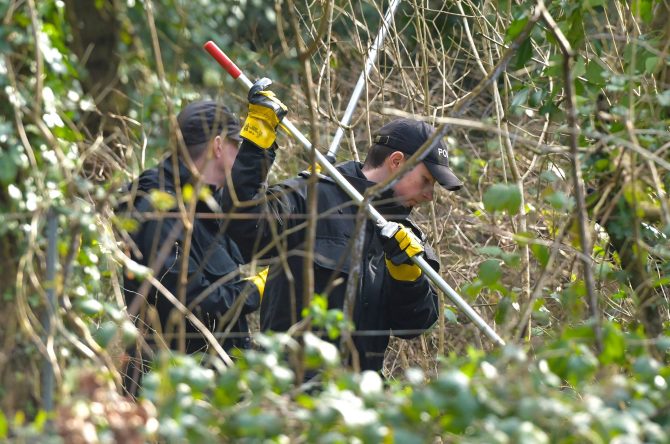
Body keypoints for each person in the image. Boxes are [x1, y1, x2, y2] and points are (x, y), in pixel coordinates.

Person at [219, 79, 462, 373]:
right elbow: (245, 226)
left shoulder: (408, 239)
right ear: (397, 161)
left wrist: (408, 277)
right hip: (290, 391)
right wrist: (256, 146)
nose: (429, 196)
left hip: (361, 399)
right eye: (426, 181)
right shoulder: (312, 194)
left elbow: (413, 325)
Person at [119, 100, 266, 395]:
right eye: (238, 147)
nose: (240, 159)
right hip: (175, 391)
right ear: (218, 146)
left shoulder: (203, 207)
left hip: (205, 386)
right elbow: (190, 303)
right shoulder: (164, 211)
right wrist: (254, 290)